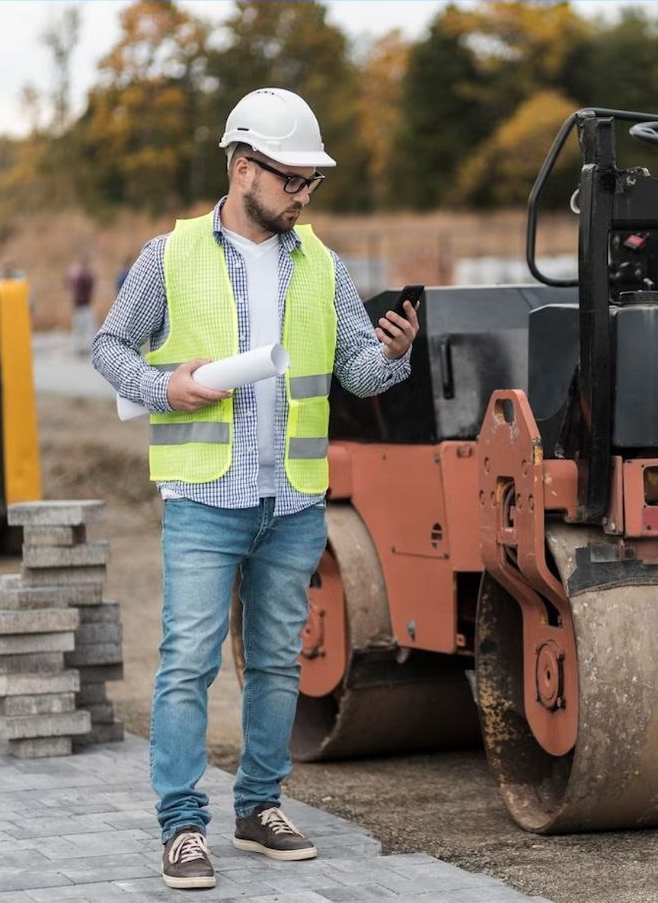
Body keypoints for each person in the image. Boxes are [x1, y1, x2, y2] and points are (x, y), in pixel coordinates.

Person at [92, 87, 420, 891]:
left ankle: (259, 805)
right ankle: (181, 826)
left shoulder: (324, 266)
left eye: (312, 183)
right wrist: (168, 388)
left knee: (277, 662)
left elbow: (357, 372)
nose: (305, 196)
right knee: (186, 665)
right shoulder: (168, 256)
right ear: (244, 168)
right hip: (205, 496)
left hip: (293, 500)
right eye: (293, 180)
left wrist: (396, 351)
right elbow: (109, 347)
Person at [66, 255, 96, 354]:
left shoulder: (83, 275)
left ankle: (87, 345)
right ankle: (78, 346)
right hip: (79, 305)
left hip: (86, 304)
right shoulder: (77, 275)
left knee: (89, 326)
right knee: (79, 327)